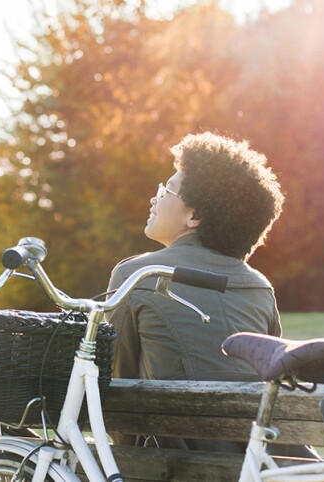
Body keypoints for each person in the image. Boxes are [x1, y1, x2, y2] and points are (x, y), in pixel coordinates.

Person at [106, 132, 285, 452]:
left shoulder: (135, 275)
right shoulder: (261, 288)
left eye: (165, 190)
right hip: (249, 464)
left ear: (195, 215)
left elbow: (117, 386)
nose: (154, 198)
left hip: (168, 464)